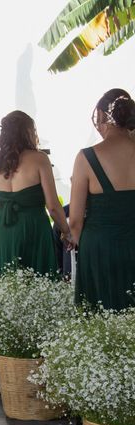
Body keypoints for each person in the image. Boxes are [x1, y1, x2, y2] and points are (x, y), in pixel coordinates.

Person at [0, 110, 70, 386]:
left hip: (2, 234)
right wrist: (67, 232)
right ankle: (40, 364)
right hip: (32, 229)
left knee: (5, 297)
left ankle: (7, 372)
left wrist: (1, 239)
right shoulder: (39, 159)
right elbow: (53, 205)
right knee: (39, 290)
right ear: (28, 131)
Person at [70, 89, 135, 310]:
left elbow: (75, 221)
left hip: (99, 250)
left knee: (101, 320)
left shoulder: (86, 157)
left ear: (101, 116)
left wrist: (89, 250)